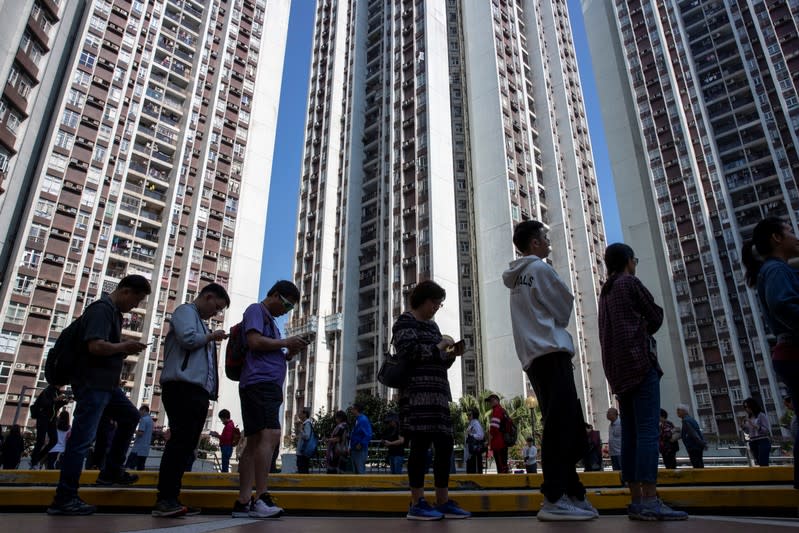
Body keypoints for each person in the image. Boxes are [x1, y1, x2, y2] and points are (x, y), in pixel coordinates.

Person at [502, 220, 597, 521]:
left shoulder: (517, 278)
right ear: (533, 243)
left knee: (562, 423)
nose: (548, 242)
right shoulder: (540, 270)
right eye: (544, 237)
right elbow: (563, 310)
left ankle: (573, 492)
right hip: (551, 353)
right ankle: (555, 496)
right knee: (561, 426)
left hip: (534, 356)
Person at [48, 274, 151, 516]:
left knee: (129, 416)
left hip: (106, 385)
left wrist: (120, 350)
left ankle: (111, 472)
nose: (134, 306)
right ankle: (65, 496)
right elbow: (95, 346)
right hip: (92, 383)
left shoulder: (113, 314)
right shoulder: (102, 310)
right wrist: (124, 346)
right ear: (125, 291)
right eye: (136, 300)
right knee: (82, 438)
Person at [598, 242, 687, 521]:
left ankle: (637, 499)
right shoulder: (629, 282)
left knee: (632, 435)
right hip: (640, 362)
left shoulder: (606, 291)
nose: (635, 264)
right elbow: (656, 315)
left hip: (618, 371)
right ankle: (651, 498)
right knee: (648, 432)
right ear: (627, 261)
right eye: (634, 259)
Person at [394, 280, 471, 520]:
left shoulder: (433, 326)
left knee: (445, 445)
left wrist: (451, 355)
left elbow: (439, 359)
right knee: (419, 446)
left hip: (438, 392)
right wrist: (439, 347)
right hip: (417, 393)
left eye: (439, 303)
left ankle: (442, 500)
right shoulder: (405, 322)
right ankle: (417, 502)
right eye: (435, 302)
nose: (437, 307)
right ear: (423, 300)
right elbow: (408, 352)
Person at [232, 280, 308, 518]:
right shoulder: (257, 311)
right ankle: (261, 497)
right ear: (275, 295)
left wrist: (287, 353)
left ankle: (244, 501)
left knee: (254, 442)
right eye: (286, 305)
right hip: (260, 384)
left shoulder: (271, 323)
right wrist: (286, 342)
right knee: (270, 434)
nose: (286, 311)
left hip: (262, 383)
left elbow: (267, 350)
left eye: (290, 309)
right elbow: (254, 342)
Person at [154, 282, 230, 517]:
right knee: (179, 442)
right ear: (208, 297)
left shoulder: (201, 323)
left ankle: (172, 497)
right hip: (181, 386)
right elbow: (188, 339)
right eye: (216, 307)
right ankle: (165, 498)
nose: (215, 313)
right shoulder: (185, 312)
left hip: (196, 391)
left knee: (186, 445)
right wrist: (211, 337)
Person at [741, 217, 799, 488]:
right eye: (789, 231)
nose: (794, 235)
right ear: (776, 238)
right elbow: (782, 304)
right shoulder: (775, 270)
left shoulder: (775, 270)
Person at [29, 385, 69, 469]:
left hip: (51, 420)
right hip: (43, 418)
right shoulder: (47, 391)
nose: (62, 387)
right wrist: (55, 400)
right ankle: (33, 461)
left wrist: (65, 401)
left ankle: (38, 458)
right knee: (41, 440)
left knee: (54, 440)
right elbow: (44, 403)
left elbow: (55, 406)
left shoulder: (57, 392)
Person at [742, 397, 771, 467]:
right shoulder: (749, 417)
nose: (747, 409)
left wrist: (754, 425)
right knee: (758, 462)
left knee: (763, 461)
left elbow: (766, 430)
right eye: (745, 407)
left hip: (762, 441)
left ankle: (767, 477)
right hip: (753, 441)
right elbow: (748, 432)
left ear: (753, 406)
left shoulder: (761, 415)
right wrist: (744, 427)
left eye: (748, 407)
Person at [485, 394, 510, 474]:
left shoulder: (497, 410)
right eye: (489, 401)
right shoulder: (502, 410)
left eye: (492, 400)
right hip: (503, 442)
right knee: (503, 464)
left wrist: (489, 440)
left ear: (497, 401)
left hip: (498, 442)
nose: (490, 403)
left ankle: (503, 485)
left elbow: (494, 428)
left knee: (500, 466)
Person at [676, 404, 706, 469]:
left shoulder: (686, 421)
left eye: (679, 410)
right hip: (696, 446)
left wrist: (701, 443)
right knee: (699, 464)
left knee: (697, 465)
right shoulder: (690, 419)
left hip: (693, 447)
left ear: (685, 411)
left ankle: (700, 478)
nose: (677, 412)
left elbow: (693, 434)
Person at [126, 406, 153, 471]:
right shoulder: (151, 420)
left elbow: (140, 433)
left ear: (143, 410)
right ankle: (139, 480)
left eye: (140, 411)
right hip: (145, 448)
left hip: (138, 449)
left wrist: (132, 430)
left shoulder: (143, 420)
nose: (139, 413)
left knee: (129, 467)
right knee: (140, 467)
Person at [349, 403, 372, 474]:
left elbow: (368, 434)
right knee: (357, 470)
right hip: (355, 448)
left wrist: (361, 444)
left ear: (356, 410)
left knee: (360, 470)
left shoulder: (362, 420)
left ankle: (362, 485)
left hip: (359, 449)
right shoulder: (359, 419)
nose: (351, 411)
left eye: (352, 409)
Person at [211, 409, 236, 473]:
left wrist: (217, 435)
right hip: (227, 447)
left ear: (224, 417)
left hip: (226, 447)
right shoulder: (230, 424)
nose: (221, 420)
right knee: (225, 464)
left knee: (225, 465)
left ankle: (224, 477)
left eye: (221, 419)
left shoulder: (229, 426)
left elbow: (227, 438)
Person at [464, 408, 485, 474]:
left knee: (474, 470)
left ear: (474, 415)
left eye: (469, 415)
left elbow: (481, 435)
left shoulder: (475, 423)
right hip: (471, 452)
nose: (468, 416)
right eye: (467, 415)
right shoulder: (472, 423)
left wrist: (471, 436)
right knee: (471, 470)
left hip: (474, 452)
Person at [296, 407, 314, 474]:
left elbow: (307, 436)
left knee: (302, 470)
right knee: (302, 469)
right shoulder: (305, 423)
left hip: (303, 452)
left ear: (305, 414)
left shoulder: (307, 424)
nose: (299, 414)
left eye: (300, 413)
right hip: (302, 452)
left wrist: (301, 430)